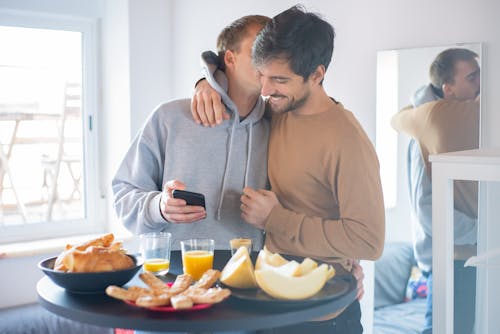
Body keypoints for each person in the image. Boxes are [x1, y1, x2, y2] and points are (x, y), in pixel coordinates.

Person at [192, 6, 385, 334]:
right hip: (269, 301)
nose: (265, 90)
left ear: (317, 75)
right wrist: (204, 84)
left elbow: (369, 241)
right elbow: (227, 73)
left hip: (322, 314)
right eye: (262, 75)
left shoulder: (347, 139)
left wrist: (275, 219)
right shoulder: (276, 110)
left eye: (279, 80)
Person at [112, 15, 272, 252]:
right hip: (175, 271)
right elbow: (123, 195)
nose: (270, 61)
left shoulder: (278, 126)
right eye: (259, 50)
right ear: (230, 57)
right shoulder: (170, 117)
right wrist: (159, 207)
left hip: (250, 273)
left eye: (275, 52)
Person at [391, 48, 480, 334]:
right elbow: (429, 212)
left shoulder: (464, 125)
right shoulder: (426, 137)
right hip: (450, 263)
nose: (481, 84)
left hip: (467, 256)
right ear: (448, 89)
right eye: (473, 77)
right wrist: (485, 229)